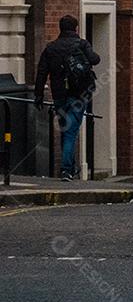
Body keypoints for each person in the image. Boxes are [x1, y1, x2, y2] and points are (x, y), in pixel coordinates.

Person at [34, 15, 100, 181]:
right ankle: (66, 170)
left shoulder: (51, 48)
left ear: (60, 28)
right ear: (76, 28)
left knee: (65, 129)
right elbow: (95, 60)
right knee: (70, 132)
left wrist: (39, 95)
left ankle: (69, 168)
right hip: (79, 94)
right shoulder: (82, 44)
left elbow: (42, 72)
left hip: (59, 95)